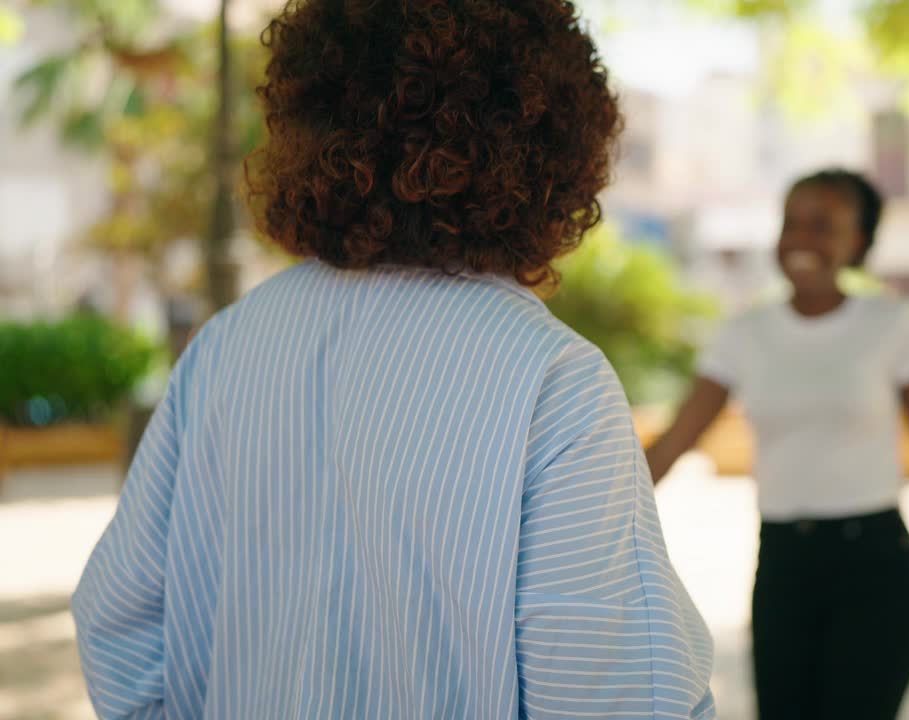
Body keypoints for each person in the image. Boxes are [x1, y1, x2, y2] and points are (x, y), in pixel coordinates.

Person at [71, 2, 715, 718]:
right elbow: (616, 691)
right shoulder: (551, 380)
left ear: (309, 122)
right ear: (556, 145)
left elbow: (119, 630)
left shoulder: (228, 346)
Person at [646, 169, 909, 719]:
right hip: (783, 569)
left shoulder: (894, 324)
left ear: (859, 242)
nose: (800, 240)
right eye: (791, 223)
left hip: (876, 570)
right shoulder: (743, 334)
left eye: (823, 225)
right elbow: (671, 445)